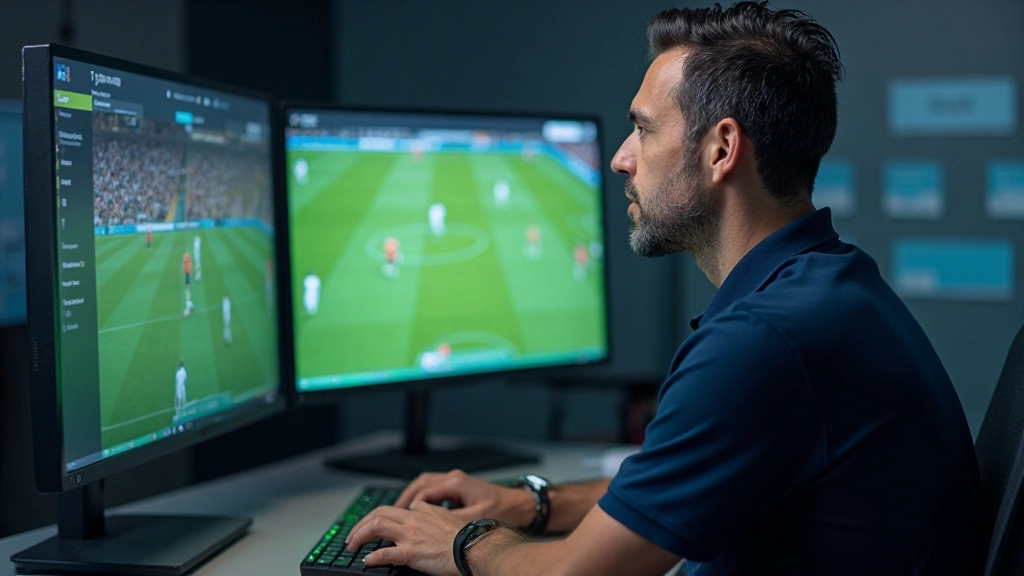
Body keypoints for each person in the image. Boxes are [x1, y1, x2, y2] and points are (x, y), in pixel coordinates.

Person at [342, 4, 982, 576]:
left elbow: (575, 575)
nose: (622, 157)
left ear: (721, 148)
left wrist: (461, 541)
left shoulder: (763, 343)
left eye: (644, 129)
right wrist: (529, 503)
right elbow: (679, 485)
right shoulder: (830, 285)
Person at [182, 251, 194, 317]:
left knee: (187, 288)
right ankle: (191, 307)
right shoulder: (187, 262)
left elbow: (185, 262)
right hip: (187, 274)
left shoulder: (187, 262)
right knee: (187, 287)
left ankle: (188, 308)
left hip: (187, 274)